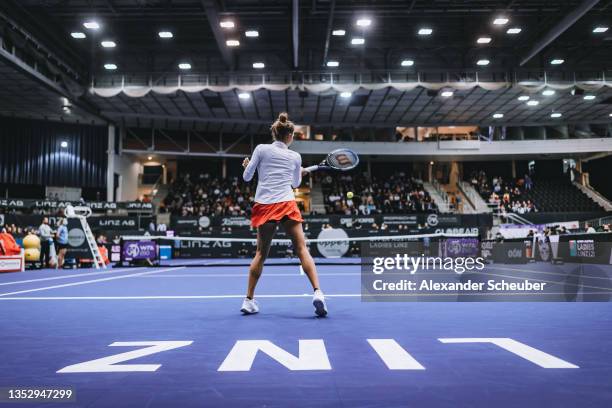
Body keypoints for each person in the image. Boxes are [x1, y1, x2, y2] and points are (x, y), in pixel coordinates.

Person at [241, 112, 327, 317]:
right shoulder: (295, 156)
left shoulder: (261, 149)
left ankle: (248, 300)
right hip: (287, 204)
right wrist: (300, 172)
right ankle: (318, 292)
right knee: (302, 249)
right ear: (290, 136)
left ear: (274, 134)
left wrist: (247, 166)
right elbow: (296, 184)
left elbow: (247, 177)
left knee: (261, 254)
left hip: (265, 205)